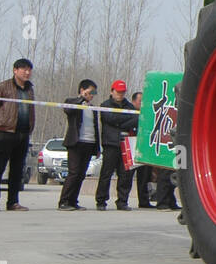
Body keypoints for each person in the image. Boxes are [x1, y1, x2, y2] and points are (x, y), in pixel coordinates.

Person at [0, 58, 35, 212]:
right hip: (5, 132)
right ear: (15, 70)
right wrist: (1, 122)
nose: (27, 72)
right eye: (24, 69)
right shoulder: (3, 87)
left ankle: (13, 202)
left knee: (17, 169)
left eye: (29, 69)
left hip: (23, 133)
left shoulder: (29, 89)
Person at [95, 79, 140, 211]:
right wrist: (124, 120)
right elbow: (110, 119)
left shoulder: (129, 106)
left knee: (126, 174)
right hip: (111, 143)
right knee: (106, 173)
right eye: (118, 92)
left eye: (122, 92)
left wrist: (119, 122)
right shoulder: (105, 105)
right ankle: (101, 201)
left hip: (126, 143)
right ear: (112, 91)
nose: (120, 95)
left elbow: (135, 119)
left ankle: (122, 201)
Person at [58, 79, 100, 211]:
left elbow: (95, 128)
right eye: (90, 91)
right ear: (82, 90)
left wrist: (97, 147)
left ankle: (73, 201)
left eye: (94, 92)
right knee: (74, 173)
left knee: (81, 174)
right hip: (76, 143)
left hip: (89, 143)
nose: (92, 94)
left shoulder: (92, 108)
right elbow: (68, 110)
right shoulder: (72, 102)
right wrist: (81, 99)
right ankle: (63, 201)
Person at [128, 91, 154, 208]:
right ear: (134, 102)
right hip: (131, 144)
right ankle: (122, 200)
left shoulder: (148, 113)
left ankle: (144, 201)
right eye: (140, 101)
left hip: (144, 146)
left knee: (145, 175)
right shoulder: (129, 111)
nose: (143, 103)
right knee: (127, 175)